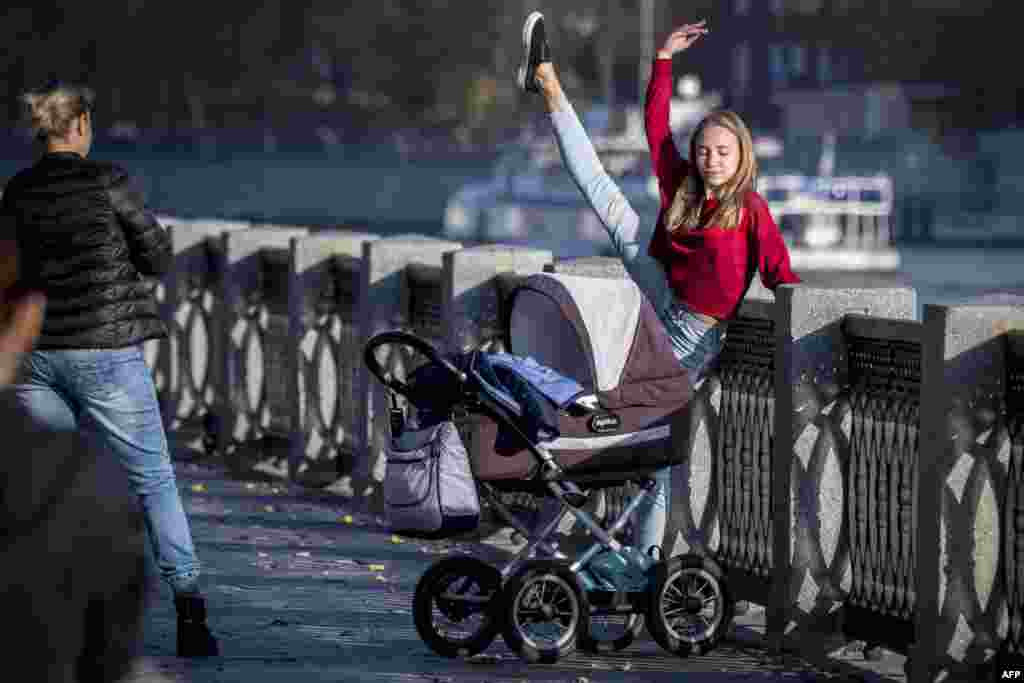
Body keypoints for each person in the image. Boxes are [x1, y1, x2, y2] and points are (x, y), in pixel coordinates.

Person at [517, 13, 801, 562]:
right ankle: (548, 82)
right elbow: (655, 125)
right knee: (602, 193)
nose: (711, 159)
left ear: (743, 157)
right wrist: (665, 60)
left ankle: (639, 558)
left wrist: (806, 326)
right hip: (662, 288)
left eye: (723, 152)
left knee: (655, 449)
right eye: (704, 151)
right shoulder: (684, 187)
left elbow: (782, 276)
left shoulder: (751, 212)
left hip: (695, 336)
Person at [0, 82, 218, 657]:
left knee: (44, 482)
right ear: (78, 128)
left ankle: (52, 618)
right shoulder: (110, 183)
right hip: (106, 349)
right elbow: (157, 256)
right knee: (152, 479)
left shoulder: (17, 190)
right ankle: (191, 610)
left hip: (38, 353)